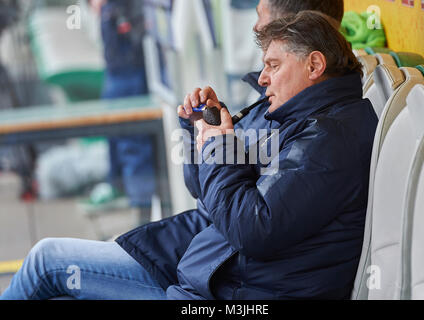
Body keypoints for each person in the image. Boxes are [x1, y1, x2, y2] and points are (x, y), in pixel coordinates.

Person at [0, 8, 378, 300]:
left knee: (47, 262)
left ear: (314, 65)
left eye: (273, 66)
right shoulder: (304, 119)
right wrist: (202, 129)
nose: (263, 78)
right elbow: (207, 189)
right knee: (50, 263)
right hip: (204, 272)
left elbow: (252, 228)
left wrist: (220, 143)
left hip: (222, 289)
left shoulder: (328, 139)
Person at [81, 0, 155, 224]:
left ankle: (142, 206)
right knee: (115, 135)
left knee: (133, 140)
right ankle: (119, 187)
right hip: (115, 69)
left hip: (130, 70)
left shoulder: (122, 8)